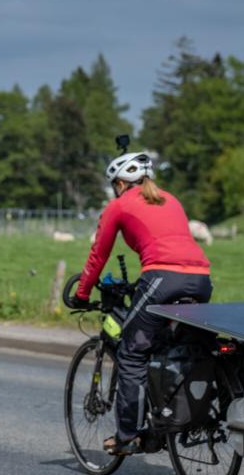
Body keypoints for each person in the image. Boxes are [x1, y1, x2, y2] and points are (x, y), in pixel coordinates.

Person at [73, 151, 212, 455]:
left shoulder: (118, 205)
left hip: (163, 278)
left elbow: (99, 254)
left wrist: (81, 294)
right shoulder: (171, 199)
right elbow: (173, 242)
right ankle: (168, 418)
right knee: (175, 346)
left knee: (132, 352)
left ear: (120, 183)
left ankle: (128, 437)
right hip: (202, 278)